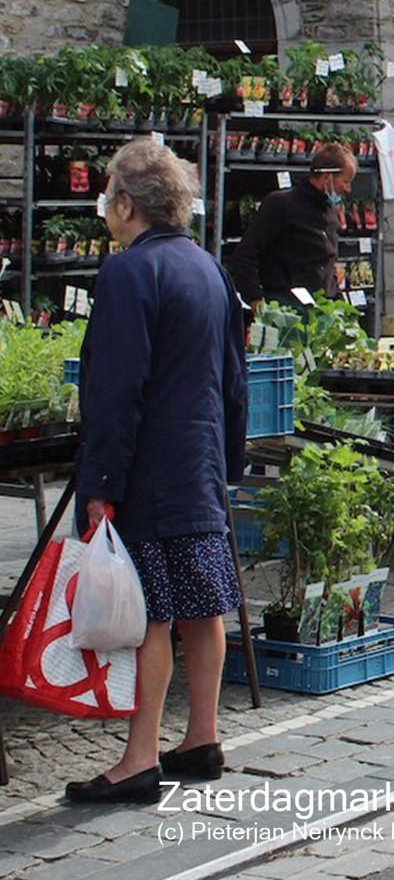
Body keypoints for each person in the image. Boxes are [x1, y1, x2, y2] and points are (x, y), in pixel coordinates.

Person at [66, 140, 249, 804]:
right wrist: (231, 459)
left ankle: (138, 758)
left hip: (147, 467)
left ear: (124, 202)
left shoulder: (126, 273)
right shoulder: (208, 268)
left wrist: (99, 486)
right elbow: (234, 380)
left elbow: (116, 390)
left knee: (149, 614)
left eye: (107, 197)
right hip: (199, 463)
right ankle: (202, 737)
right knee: (202, 608)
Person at [231, 144, 355, 307]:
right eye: (345, 181)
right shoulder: (281, 204)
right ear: (327, 177)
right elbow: (245, 255)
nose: (348, 189)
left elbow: (327, 265)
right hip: (285, 308)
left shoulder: (330, 212)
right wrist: (255, 299)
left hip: (322, 309)